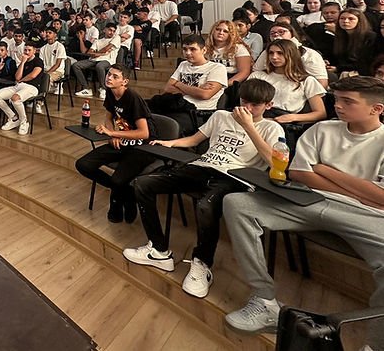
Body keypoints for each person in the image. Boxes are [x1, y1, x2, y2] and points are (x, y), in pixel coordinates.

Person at [223, 76, 384, 345]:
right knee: (237, 203)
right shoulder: (322, 129)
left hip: (362, 215)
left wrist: (323, 169)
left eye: (348, 101)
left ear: (376, 108)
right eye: (337, 100)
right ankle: (264, 299)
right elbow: (299, 173)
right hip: (309, 200)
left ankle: (376, 344)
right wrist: (360, 190)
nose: (338, 106)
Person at [123, 79, 283, 298]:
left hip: (234, 177)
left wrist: (248, 126)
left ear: (268, 105)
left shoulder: (272, 128)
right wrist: (170, 143)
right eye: (244, 101)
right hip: (203, 166)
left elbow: (274, 163)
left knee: (205, 206)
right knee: (143, 183)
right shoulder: (221, 116)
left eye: (255, 105)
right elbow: (195, 139)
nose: (247, 108)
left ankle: (202, 263)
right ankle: (159, 251)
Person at [75, 64, 157, 224]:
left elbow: (144, 133)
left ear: (124, 81)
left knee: (117, 180)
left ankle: (118, 201)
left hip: (144, 146)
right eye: (108, 74)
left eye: (115, 76)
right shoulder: (111, 92)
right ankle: (127, 193)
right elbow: (108, 117)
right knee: (83, 164)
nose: (109, 78)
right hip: (123, 141)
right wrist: (112, 133)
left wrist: (112, 133)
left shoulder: (132, 97)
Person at [151, 35, 228, 134]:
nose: (187, 53)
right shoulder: (183, 64)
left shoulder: (217, 68)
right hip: (175, 106)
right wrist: (197, 89)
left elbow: (205, 95)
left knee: (162, 125)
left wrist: (179, 84)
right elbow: (168, 88)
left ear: (204, 50)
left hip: (198, 113)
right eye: (185, 49)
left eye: (192, 49)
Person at [247, 40, 327, 125]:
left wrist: (293, 117)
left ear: (291, 55)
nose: (274, 57)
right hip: (254, 118)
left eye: (280, 53)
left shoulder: (306, 80)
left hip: (284, 121)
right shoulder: (257, 76)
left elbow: (320, 113)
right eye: (271, 53)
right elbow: (244, 101)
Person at [0, 44, 44, 136]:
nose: (26, 52)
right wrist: (23, 62)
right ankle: (14, 118)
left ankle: (24, 122)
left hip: (32, 87)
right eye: (25, 50)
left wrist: (21, 80)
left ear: (34, 51)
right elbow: (17, 77)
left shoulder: (38, 61)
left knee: (15, 99)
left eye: (29, 50)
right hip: (18, 86)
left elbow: (33, 75)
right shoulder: (23, 62)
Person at [73, 22, 121, 99]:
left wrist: (96, 53)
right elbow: (89, 52)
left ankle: (103, 88)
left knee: (99, 66)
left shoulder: (116, 38)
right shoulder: (98, 41)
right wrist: (99, 54)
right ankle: (86, 88)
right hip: (94, 59)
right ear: (105, 30)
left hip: (108, 60)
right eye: (110, 30)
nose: (112, 32)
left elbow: (106, 48)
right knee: (76, 65)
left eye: (113, 31)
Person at [330, 7, 377, 77]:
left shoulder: (370, 37)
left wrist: (339, 68)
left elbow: (366, 62)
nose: (345, 21)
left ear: (359, 21)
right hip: (344, 70)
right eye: (342, 18)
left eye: (351, 19)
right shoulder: (340, 37)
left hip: (363, 72)